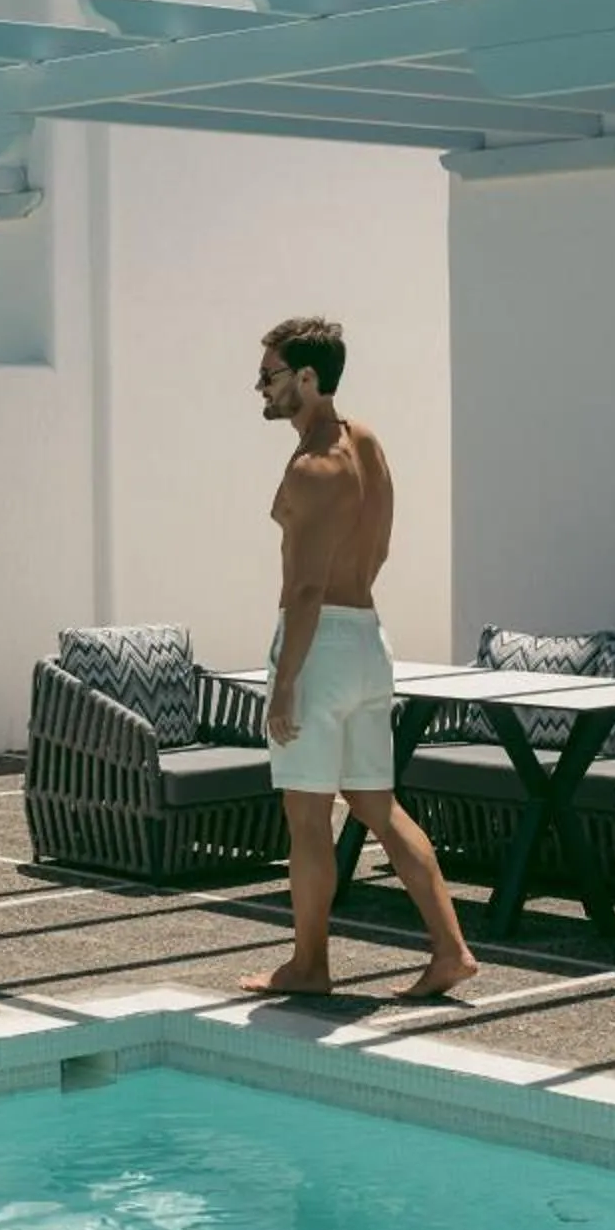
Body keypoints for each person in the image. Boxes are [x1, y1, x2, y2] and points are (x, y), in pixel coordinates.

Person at [236, 317, 479, 1002]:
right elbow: (378, 549)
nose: (262, 386)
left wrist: (285, 687)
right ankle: (452, 949)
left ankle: (308, 965)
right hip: (370, 640)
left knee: (308, 819)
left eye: (272, 375)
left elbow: (308, 587)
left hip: (319, 647)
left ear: (308, 380)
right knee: (379, 805)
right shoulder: (366, 444)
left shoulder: (313, 467)